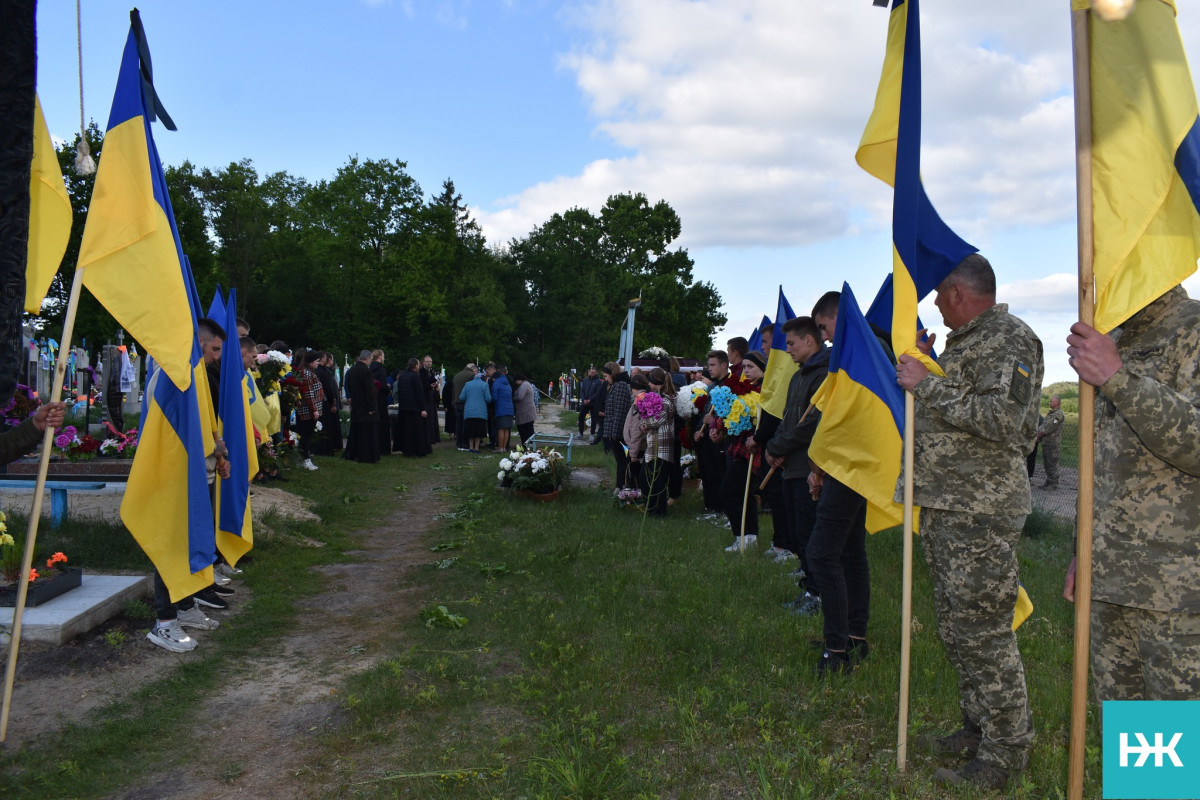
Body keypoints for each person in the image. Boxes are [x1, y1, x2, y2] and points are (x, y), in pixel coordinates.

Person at [895, 254, 1043, 790]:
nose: (934, 303)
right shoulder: (965, 344)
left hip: (981, 511)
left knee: (984, 634)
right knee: (957, 629)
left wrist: (926, 385)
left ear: (958, 292)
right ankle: (978, 727)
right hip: (949, 505)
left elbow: (1004, 419)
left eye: (938, 294)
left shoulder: (1010, 338)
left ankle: (1005, 753)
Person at [1063, 284, 1200, 708]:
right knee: (1136, 744)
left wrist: (1117, 379)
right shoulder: (1117, 337)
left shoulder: (1192, 327)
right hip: (1108, 578)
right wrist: (1080, 550)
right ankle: (1144, 782)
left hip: (1175, 590)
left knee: (1178, 742)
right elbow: (1100, 462)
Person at [806, 291, 877, 678]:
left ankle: (836, 651)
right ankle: (854, 638)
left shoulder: (859, 352)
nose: (825, 336)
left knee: (822, 553)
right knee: (850, 553)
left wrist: (824, 460)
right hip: (850, 463)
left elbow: (849, 414)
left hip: (852, 463)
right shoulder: (854, 349)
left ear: (837, 317)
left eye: (823, 326)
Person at [765, 316, 828, 615]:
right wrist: (773, 448)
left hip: (808, 467)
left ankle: (818, 595)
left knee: (810, 531)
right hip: (790, 465)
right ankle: (809, 581)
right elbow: (789, 417)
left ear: (809, 340)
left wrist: (779, 446)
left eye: (791, 343)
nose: (787, 349)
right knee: (798, 530)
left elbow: (813, 423)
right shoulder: (797, 376)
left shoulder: (824, 374)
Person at [719, 351, 765, 551]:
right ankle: (749, 536)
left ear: (762, 369)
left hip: (753, 449)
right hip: (739, 447)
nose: (746, 370)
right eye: (744, 367)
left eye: (751, 367)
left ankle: (742, 536)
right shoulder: (745, 389)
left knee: (728, 492)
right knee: (744, 495)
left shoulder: (765, 391)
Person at [342, 350, 380, 463]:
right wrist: (372, 408)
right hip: (366, 407)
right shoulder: (366, 371)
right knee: (367, 433)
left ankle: (354, 453)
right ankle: (367, 455)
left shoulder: (352, 370)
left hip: (356, 405)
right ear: (367, 358)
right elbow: (369, 391)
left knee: (356, 432)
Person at [600, 361, 633, 490]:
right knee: (620, 461)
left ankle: (622, 486)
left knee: (622, 461)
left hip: (619, 432)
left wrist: (615, 433)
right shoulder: (617, 385)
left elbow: (619, 411)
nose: (605, 379)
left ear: (612, 374)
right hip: (615, 430)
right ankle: (621, 485)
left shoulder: (620, 386)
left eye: (606, 376)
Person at [292, 350, 325, 471]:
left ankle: (305, 457)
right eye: (316, 361)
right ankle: (305, 459)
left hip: (310, 410)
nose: (318, 363)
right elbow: (308, 394)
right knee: (305, 435)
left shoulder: (310, 372)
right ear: (310, 362)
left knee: (307, 435)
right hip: (307, 410)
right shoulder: (306, 374)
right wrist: (314, 410)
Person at [392, 357, 431, 457]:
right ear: (415, 366)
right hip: (414, 408)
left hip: (404, 407)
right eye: (418, 364)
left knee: (406, 430)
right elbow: (419, 393)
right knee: (415, 431)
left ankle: (406, 449)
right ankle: (417, 450)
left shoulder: (402, 376)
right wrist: (422, 408)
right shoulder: (415, 376)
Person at [312, 352, 342, 455]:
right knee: (325, 427)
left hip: (317, 402)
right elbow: (329, 390)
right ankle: (325, 449)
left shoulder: (316, 371)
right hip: (325, 403)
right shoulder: (324, 373)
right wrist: (333, 402)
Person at [459, 368, 492, 453]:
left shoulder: (467, 384)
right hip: (481, 412)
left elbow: (461, 397)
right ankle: (476, 448)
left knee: (470, 431)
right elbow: (488, 399)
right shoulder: (484, 385)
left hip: (469, 412)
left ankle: (470, 447)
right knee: (478, 431)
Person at [1036, 395, 1064, 490]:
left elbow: (1049, 427)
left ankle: (1053, 483)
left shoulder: (1058, 415)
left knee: (1052, 464)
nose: (1050, 402)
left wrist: (1039, 434)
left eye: (1052, 401)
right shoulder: (1051, 414)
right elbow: (1044, 424)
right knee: (1047, 463)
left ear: (1057, 403)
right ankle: (1048, 482)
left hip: (1053, 443)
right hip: (1046, 442)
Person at [370, 350, 391, 456]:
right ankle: (383, 449)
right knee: (382, 425)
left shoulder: (369, 368)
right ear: (379, 357)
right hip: (381, 400)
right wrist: (387, 388)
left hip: (372, 399)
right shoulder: (381, 370)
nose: (384, 358)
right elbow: (382, 385)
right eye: (383, 356)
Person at [451, 362, 476, 451]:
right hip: (466, 402)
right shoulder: (471, 375)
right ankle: (465, 442)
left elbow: (453, 391)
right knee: (466, 423)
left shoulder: (457, 375)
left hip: (457, 402)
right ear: (473, 368)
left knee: (458, 423)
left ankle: (459, 441)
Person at [492, 366, 514, 452]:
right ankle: (504, 447)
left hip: (501, 409)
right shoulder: (507, 383)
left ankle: (500, 447)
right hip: (509, 409)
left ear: (495, 378)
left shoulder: (496, 384)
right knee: (507, 429)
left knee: (501, 429)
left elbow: (495, 398)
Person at [420, 355, 441, 446]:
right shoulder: (421, 372)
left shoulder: (431, 372)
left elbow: (432, 382)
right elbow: (421, 385)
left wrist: (436, 384)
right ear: (424, 362)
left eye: (430, 361)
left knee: (432, 419)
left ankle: (432, 438)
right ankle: (427, 438)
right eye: (427, 361)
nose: (429, 363)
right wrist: (430, 386)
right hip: (425, 398)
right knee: (427, 420)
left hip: (431, 398)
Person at [512, 372, 537, 445]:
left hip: (526, 412)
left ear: (519, 379)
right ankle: (528, 444)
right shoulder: (526, 384)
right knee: (527, 429)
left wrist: (513, 398)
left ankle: (527, 444)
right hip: (527, 411)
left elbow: (520, 397)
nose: (516, 383)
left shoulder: (524, 385)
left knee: (525, 429)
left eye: (516, 381)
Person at [578, 366, 603, 438]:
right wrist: (583, 399)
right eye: (590, 372)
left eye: (593, 372)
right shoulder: (586, 380)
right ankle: (580, 432)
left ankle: (592, 434)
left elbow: (597, 393)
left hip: (593, 403)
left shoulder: (599, 382)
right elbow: (582, 390)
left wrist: (590, 400)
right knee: (581, 416)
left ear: (596, 373)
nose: (591, 373)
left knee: (594, 418)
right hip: (585, 402)